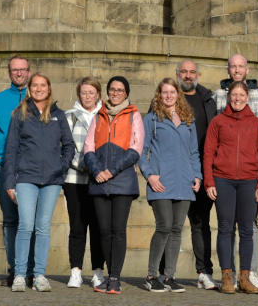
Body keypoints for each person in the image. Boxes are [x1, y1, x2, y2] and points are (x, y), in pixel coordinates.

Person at [2, 73, 76, 292]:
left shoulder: (58, 115)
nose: (39, 88)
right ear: (29, 88)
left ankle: (40, 275)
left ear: (49, 88)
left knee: (43, 227)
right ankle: (19, 275)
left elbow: (69, 146)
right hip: (26, 177)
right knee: (25, 225)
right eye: (35, 85)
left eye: (43, 85)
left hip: (52, 180)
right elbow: (11, 149)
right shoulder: (20, 114)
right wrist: (9, 182)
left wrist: (60, 167)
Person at [204, 81, 258, 294]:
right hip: (222, 179)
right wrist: (209, 181)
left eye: (242, 95)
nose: (238, 99)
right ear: (229, 97)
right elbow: (208, 153)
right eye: (234, 95)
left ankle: (245, 277)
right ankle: (226, 276)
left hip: (249, 182)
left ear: (248, 97)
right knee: (224, 227)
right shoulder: (217, 122)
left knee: (247, 230)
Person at [138, 78, 202, 293]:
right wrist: (150, 175)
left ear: (178, 94)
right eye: (164, 92)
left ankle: (169, 276)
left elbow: (193, 152)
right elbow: (141, 151)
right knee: (164, 226)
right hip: (161, 182)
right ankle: (151, 275)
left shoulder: (188, 119)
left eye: (172, 92)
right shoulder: (152, 119)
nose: (168, 96)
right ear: (159, 95)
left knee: (176, 229)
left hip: (183, 182)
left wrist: (197, 176)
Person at [84, 76, 145, 295]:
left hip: (122, 181)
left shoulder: (134, 115)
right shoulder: (98, 115)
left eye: (120, 90)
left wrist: (111, 170)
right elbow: (88, 147)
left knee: (118, 231)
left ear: (126, 93)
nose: (115, 93)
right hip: (99, 182)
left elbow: (136, 148)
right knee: (103, 231)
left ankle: (115, 278)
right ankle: (108, 275)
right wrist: (97, 170)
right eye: (112, 89)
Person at [0, 55, 32, 286]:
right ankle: (15, 269)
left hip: (32, 167)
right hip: (4, 165)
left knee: (31, 220)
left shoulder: (39, 97)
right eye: (15, 70)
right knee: (10, 220)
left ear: (29, 72)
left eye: (22, 70)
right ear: (9, 72)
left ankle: (32, 269)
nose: (19, 74)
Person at [176, 60, 219, 290]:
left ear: (198, 75)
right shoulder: (168, 97)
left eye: (192, 72)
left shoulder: (208, 100)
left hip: (202, 171)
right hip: (174, 171)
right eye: (184, 71)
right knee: (169, 224)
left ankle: (204, 272)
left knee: (200, 222)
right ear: (178, 74)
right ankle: (163, 272)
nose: (188, 75)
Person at [63, 77, 105, 289]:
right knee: (78, 226)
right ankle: (76, 271)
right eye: (84, 93)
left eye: (92, 92)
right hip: (75, 179)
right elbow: (67, 147)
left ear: (98, 94)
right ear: (78, 94)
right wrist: (88, 166)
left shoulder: (106, 116)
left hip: (101, 181)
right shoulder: (69, 117)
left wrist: (100, 170)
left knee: (99, 227)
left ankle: (98, 271)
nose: (87, 96)